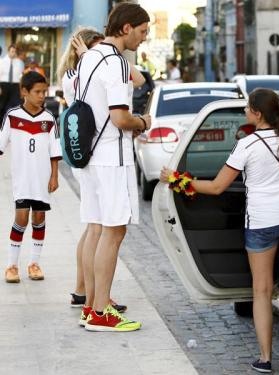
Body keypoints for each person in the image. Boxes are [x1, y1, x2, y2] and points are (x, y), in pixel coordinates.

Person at [160, 88, 279, 373]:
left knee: (262, 289)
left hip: (263, 223)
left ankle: (265, 359)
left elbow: (217, 187)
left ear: (257, 113)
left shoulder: (247, 145)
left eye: (246, 109)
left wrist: (177, 180)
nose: (244, 113)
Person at [76, 2, 151, 332]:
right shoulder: (117, 63)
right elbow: (121, 118)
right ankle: (101, 312)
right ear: (126, 28)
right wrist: (143, 122)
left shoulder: (89, 58)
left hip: (90, 157)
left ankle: (91, 307)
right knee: (114, 231)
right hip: (112, 157)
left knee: (96, 228)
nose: (144, 38)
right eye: (143, 31)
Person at [57, 27, 129, 314]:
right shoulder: (75, 76)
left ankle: (85, 291)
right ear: (82, 49)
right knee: (97, 228)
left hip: (87, 154)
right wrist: (92, 59)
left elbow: (135, 77)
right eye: (97, 48)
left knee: (93, 228)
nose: (103, 54)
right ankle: (92, 296)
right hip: (92, 154)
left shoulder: (83, 70)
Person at [0, 72, 62, 283]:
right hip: (22, 180)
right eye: (37, 92)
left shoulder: (49, 119)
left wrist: (54, 176)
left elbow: (55, 152)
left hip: (42, 180)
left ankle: (34, 263)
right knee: (21, 218)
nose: (42, 96)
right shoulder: (12, 116)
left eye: (44, 92)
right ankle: (11, 266)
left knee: (39, 218)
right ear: (24, 92)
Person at [0, 45, 25, 120]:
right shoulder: (1, 61)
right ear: (8, 51)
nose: (13, 53)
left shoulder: (20, 63)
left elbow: (21, 77)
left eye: (15, 52)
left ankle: (13, 123)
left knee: (16, 105)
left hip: (15, 86)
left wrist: (21, 90)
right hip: (4, 85)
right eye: (12, 51)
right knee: (2, 105)